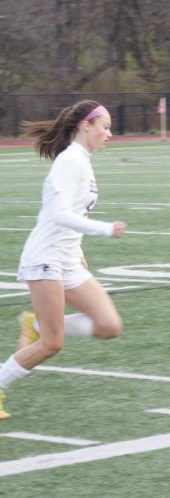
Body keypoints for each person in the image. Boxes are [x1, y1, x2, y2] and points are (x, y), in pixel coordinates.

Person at [0, 101, 127, 419]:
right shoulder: (70, 161)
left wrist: (80, 250)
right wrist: (104, 229)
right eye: (105, 126)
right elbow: (58, 214)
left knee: (109, 325)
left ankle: (37, 322)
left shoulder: (81, 160)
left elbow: (71, 212)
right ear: (86, 125)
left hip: (68, 260)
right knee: (52, 344)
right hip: (45, 258)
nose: (109, 134)